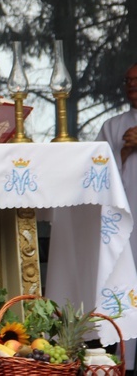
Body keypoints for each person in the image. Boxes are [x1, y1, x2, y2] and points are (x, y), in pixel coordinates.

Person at [93, 62, 137, 370]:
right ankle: (127, 362)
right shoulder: (113, 126)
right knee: (129, 289)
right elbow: (97, 180)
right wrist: (122, 154)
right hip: (126, 223)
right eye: (127, 81)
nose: (130, 86)